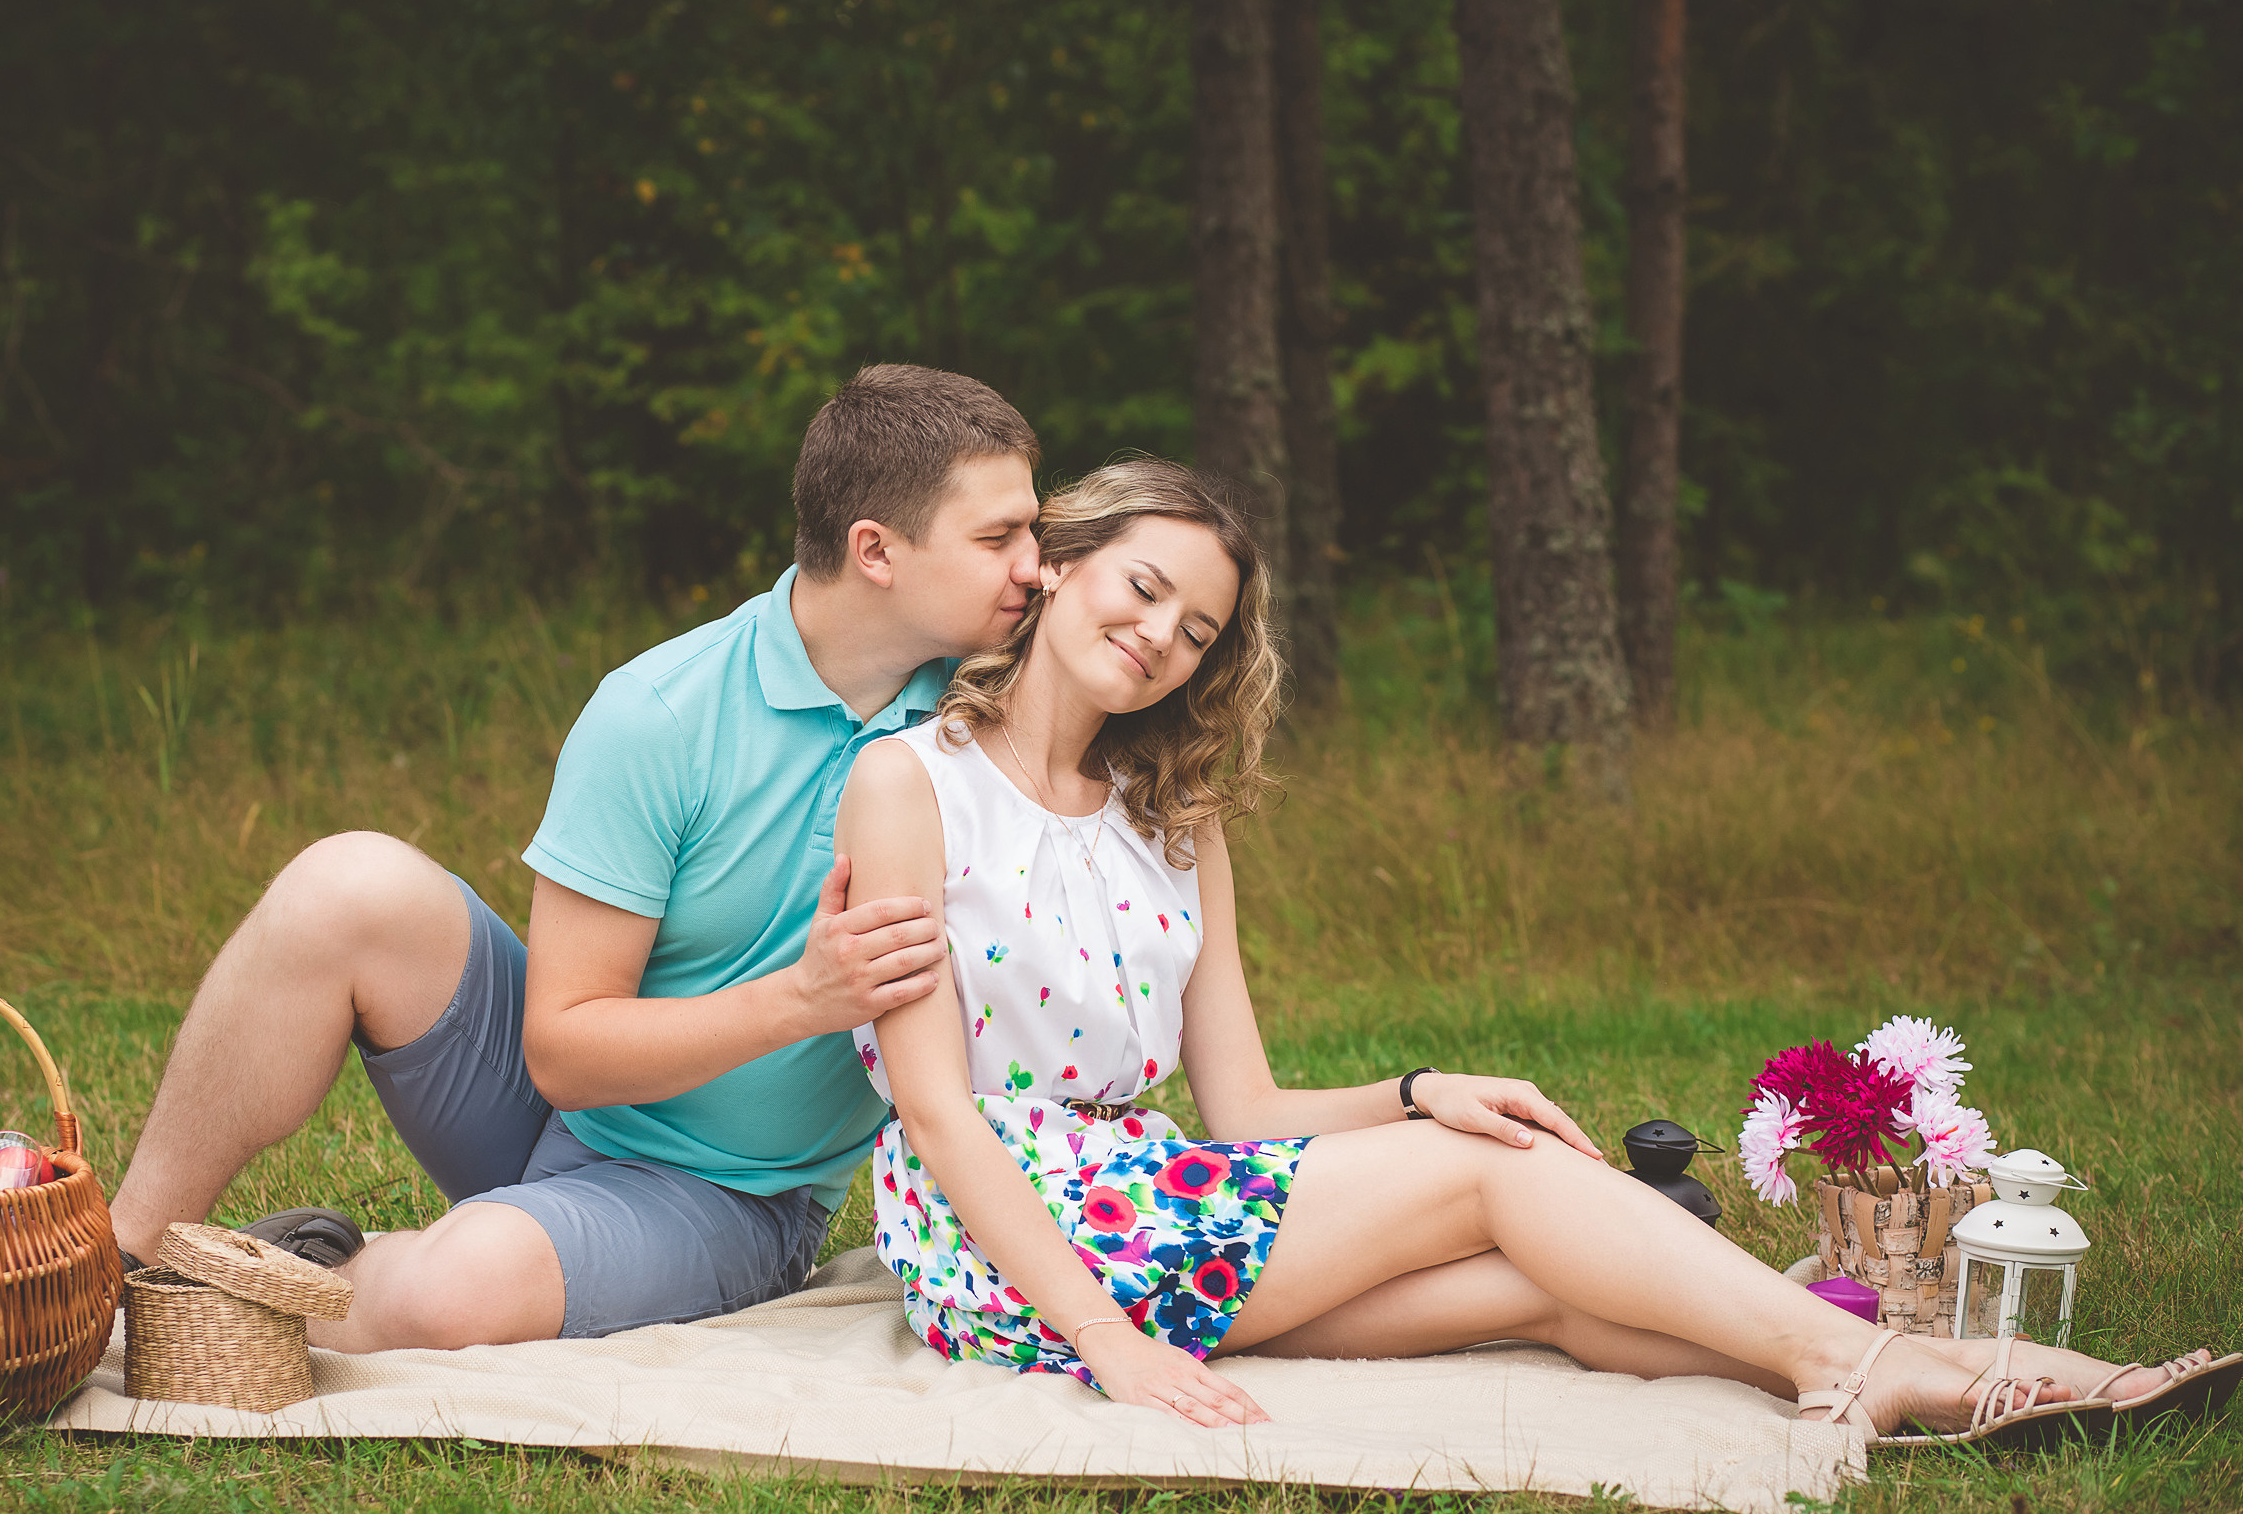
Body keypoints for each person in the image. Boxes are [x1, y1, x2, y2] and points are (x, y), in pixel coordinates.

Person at [835, 456, 2221, 1440]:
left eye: (1196, 630)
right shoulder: (913, 785)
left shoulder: (1172, 824)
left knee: (1543, 1287)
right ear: (1060, 566)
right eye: (1141, 589)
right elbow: (940, 1115)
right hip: (1007, 1241)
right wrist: (1108, 1342)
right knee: (1495, 1177)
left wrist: (1419, 1090)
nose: (1158, 638)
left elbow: (1243, 1110)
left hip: (1145, 1200)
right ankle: (1877, 1362)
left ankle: (1949, 1381)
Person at [108, 364, 1044, 1351]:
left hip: (732, 1198)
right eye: (1000, 540)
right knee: (343, 885)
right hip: (558, 1112)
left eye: (1037, 532)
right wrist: (804, 1000)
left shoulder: (992, 717)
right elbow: (561, 1053)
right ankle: (120, 1255)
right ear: (875, 550)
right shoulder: (662, 712)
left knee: (455, 1292)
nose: (1038, 567)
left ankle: (272, 1284)